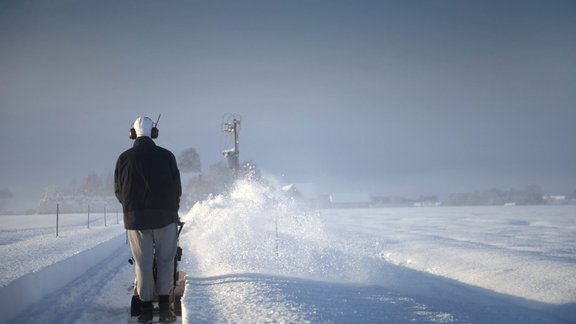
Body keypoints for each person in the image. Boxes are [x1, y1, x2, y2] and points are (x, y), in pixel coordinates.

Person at [114, 116, 181, 323]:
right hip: (165, 218)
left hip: (136, 220)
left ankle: (144, 312)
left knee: (142, 264)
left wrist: (133, 208)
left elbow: (118, 191)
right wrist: (171, 210)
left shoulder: (123, 158)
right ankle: (165, 311)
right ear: (154, 133)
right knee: (166, 261)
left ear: (132, 134)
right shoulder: (167, 156)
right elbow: (177, 189)